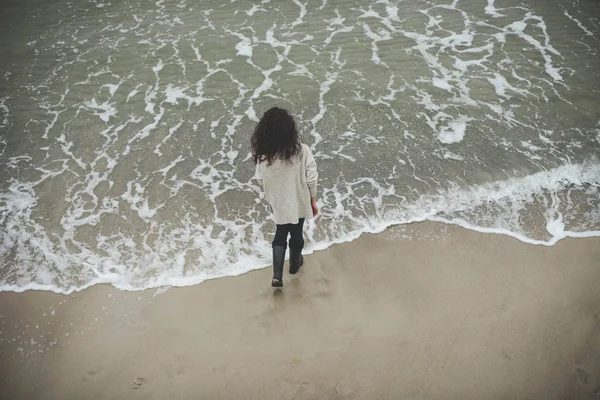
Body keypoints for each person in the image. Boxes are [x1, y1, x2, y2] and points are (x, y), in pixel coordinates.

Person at [252, 107, 319, 288]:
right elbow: (312, 177)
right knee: (296, 232)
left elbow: (260, 179)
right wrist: (313, 200)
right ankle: (294, 266)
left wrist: (272, 196)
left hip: (279, 201)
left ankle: (277, 276)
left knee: (281, 232)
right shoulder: (302, 151)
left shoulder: (264, 156)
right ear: (290, 129)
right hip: (299, 199)